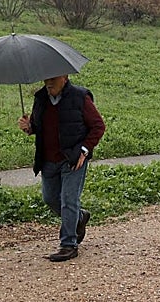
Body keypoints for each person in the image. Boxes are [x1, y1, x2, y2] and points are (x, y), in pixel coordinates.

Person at [17, 74, 106, 261]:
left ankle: (68, 245)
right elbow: (38, 125)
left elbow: (98, 126)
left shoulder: (80, 97)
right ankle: (79, 218)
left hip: (72, 159)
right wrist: (29, 127)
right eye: (46, 79)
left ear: (64, 77)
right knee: (50, 198)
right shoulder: (41, 98)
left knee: (68, 200)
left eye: (53, 79)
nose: (48, 83)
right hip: (48, 160)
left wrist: (84, 150)